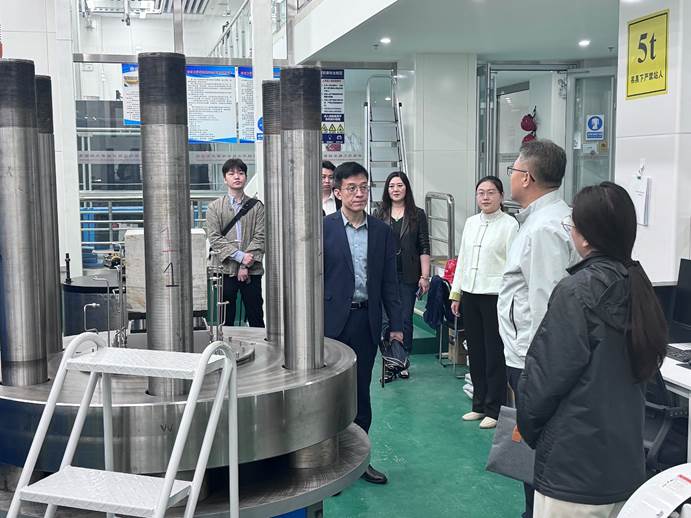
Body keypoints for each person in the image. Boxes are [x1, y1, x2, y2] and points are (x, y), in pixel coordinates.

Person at [517, 182, 668, 518]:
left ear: (585, 237)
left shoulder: (576, 292)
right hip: (625, 467)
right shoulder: (639, 285)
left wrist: (530, 430)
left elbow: (543, 381)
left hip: (573, 471)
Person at [497, 139, 579, 518]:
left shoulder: (543, 229)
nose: (510, 177)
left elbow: (548, 307)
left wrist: (536, 368)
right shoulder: (551, 218)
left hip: (532, 360)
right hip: (532, 357)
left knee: (536, 446)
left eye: (513, 170)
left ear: (527, 177)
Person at [323, 161, 403, 485]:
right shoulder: (324, 228)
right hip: (330, 325)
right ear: (338, 192)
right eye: (352, 188)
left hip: (366, 321)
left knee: (361, 395)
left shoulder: (381, 231)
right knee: (330, 396)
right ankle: (331, 465)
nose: (359, 194)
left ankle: (359, 461)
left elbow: (389, 282)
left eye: (364, 187)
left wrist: (396, 325)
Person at [450, 176, 518, 429]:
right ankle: (478, 404)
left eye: (491, 192)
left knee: (494, 353)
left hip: (495, 296)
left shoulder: (510, 225)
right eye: (481, 192)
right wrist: (456, 293)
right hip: (470, 293)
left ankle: (495, 408)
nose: (485, 197)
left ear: (501, 196)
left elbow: (513, 265)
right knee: (475, 352)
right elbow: (463, 259)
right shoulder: (471, 223)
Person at [374, 171, 431, 381]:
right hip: (384, 276)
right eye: (391, 186)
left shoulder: (417, 214)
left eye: (399, 185)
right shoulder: (379, 213)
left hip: (408, 275)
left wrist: (425, 276)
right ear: (387, 189)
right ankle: (390, 363)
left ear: (406, 188)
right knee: (386, 321)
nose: (395, 190)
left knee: (405, 319)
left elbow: (424, 246)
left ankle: (403, 359)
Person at [206, 158, 265, 327]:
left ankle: (259, 344)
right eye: (231, 173)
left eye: (241, 173)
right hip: (224, 270)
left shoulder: (257, 206)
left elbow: (260, 236)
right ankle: (225, 344)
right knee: (226, 317)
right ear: (225, 179)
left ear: (246, 177)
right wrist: (240, 257)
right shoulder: (214, 207)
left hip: (252, 270)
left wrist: (245, 264)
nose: (237, 177)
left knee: (255, 314)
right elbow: (215, 237)